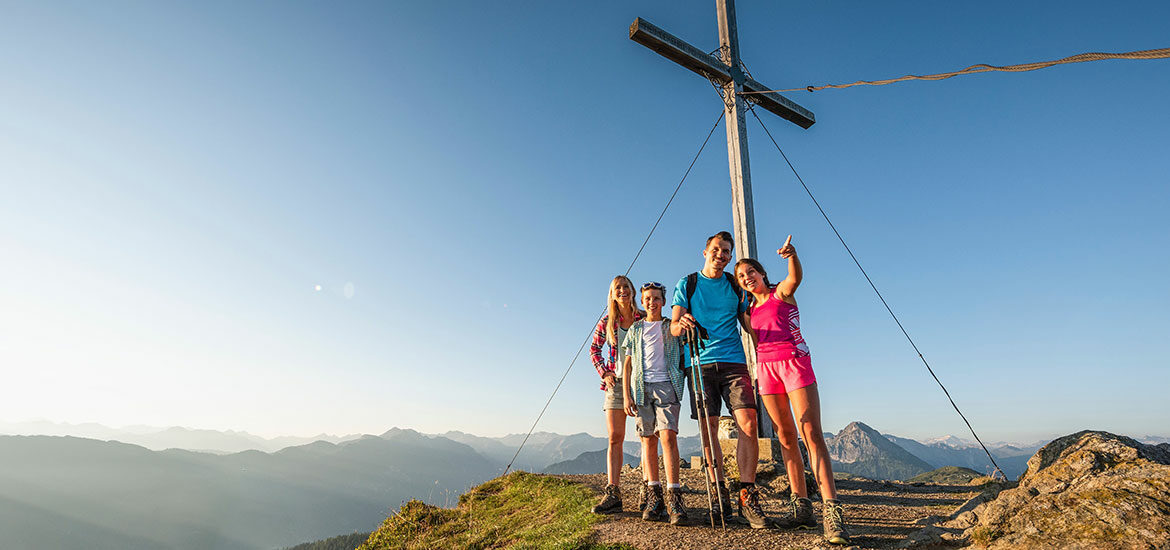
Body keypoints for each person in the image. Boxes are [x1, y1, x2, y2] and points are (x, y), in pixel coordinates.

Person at [734, 235, 852, 545]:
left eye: (750, 272)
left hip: (795, 365)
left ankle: (832, 511)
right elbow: (757, 341)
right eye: (742, 277)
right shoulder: (748, 313)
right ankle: (801, 507)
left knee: (811, 433)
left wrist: (791, 255)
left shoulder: (781, 293)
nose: (747, 278)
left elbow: (795, 277)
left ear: (761, 273)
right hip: (767, 370)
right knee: (785, 436)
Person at [670, 231, 767, 528]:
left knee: (749, 423)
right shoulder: (688, 283)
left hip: (734, 361)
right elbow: (674, 326)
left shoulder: (734, 286)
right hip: (698, 361)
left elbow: (749, 323)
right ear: (705, 252)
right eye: (716, 249)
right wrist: (681, 323)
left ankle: (747, 495)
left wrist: (771, 344)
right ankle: (718, 492)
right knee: (708, 428)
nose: (721, 255)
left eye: (726, 251)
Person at [621, 282, 688, 525]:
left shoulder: (671, 326)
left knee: (668, 436)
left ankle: (675, 496)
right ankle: (654, 494)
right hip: (641, 389)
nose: (652, 302)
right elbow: (627, 364)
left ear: (663, 301)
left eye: (656, 298)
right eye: (647, 298)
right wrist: (627, 395)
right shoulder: (636, 329)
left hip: (666, 385)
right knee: (647, 439)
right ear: (642, 300)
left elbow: (683, 352)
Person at [589, 275, 646, 514]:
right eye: (617, 288)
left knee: (646, 435)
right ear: (612, 295)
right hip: (616, 383)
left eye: (626, 287)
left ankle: (648, 489)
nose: (622, 290)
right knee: (615, 437)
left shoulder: (643, 318)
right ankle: (613, 493)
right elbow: (594, 349)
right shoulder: (607, 322)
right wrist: (605, 373)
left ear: (632, 291)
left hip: (642, 381)